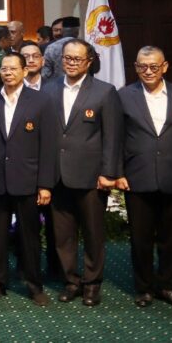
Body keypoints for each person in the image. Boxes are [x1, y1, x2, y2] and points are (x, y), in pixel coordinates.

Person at [116, 46, 172, 309]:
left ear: (164, 67)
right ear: (136, 67)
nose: (148, 71)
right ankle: (144, 288)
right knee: (140, 238)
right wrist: (118, 173)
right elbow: (116, 139)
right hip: (137, 176)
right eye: (142, 66)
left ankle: (169, 286)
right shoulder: (123, 96)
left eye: (154, 66)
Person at [43, 39, 121, 307]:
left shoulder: (105, 91)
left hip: (91, 176)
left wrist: (108, 172)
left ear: (89, 62)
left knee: (93, 233)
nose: (71, 63)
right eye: (67, 58)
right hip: (57, 175)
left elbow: (112, 137)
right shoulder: (48, 89)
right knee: (62, 235)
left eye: (77, 59)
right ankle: (71, 281)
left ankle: (92, 283)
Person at [0, 53, 56, 306]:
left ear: (24, 71)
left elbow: (48, 145)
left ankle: (34, 284)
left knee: (29, 236)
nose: (8, 73)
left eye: (13, 68)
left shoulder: (41, 101)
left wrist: (45, 184)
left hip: (28, 180)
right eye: (4, 69)